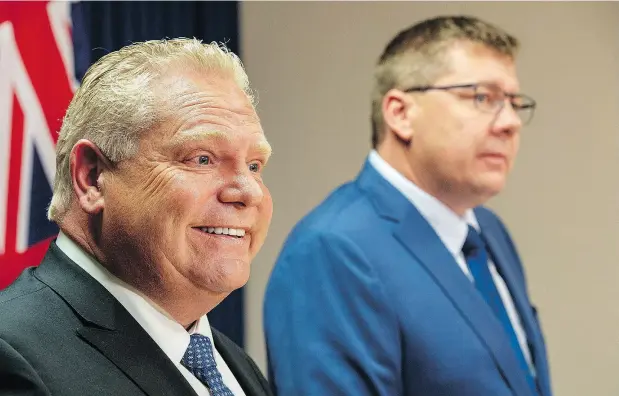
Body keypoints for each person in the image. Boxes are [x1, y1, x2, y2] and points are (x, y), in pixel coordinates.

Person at [264, 15, 552, 396]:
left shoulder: (489, 231)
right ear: (400, 113)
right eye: (483, 97)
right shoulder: (331, 250)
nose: (511, 123)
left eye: (515, 103)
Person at [0, 38, 274, 396]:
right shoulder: (13, 356)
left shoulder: (234, 365)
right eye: (202, 158)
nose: (249, 192)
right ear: (92, 178)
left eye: (254, 166)